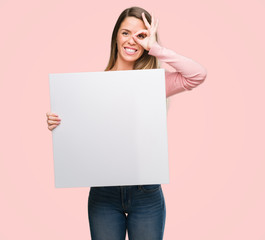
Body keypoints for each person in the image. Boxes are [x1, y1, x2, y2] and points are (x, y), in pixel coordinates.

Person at [46, 6, 207, 240]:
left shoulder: (155, 82)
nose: (132, 40)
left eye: (140, 35)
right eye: (125, 33)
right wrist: (60, 125)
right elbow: (84, 139)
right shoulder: (91, 86)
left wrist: (156, 48)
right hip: (104, 195)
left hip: (146, 194)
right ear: (116, 37)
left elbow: (197, 74)